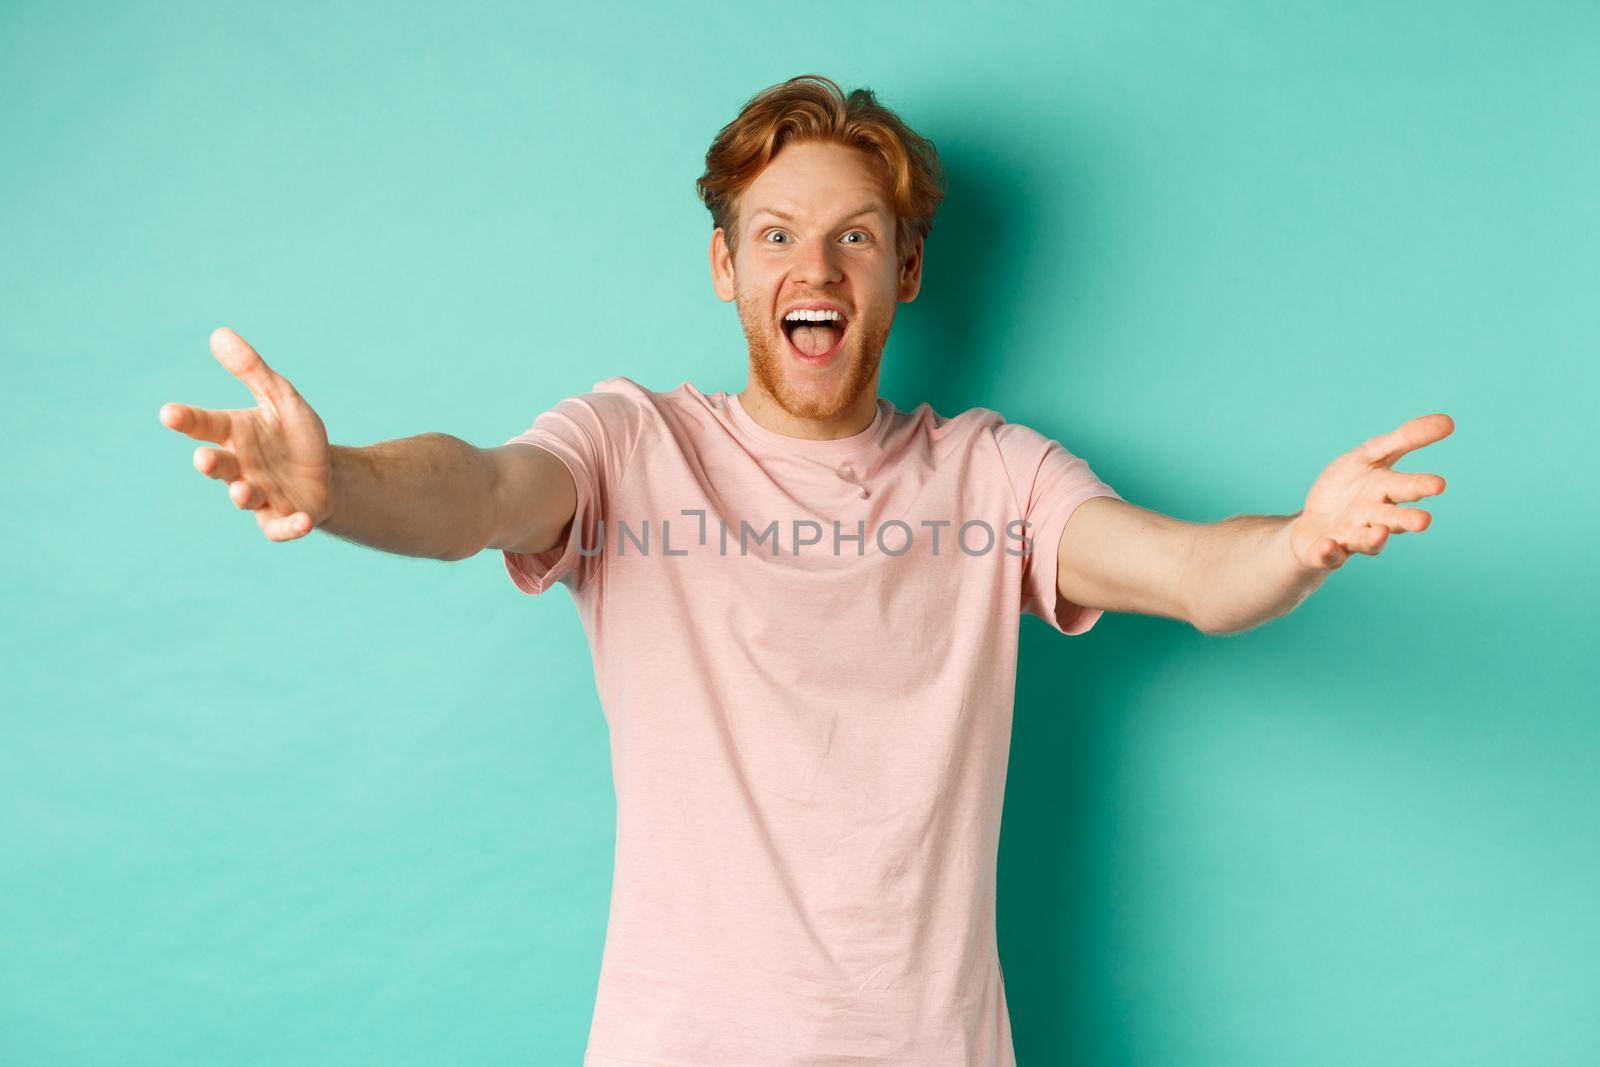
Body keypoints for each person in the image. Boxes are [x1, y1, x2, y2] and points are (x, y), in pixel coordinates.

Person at [159, 74, 1452, 1067]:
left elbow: (1184, 573)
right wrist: (342, 487)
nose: (814, 269)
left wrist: (1298, 540)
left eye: (855, 238)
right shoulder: (633, 445)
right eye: (775, 235)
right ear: (726, 267)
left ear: (907, 270)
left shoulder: (989, 476)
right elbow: (484, 493)